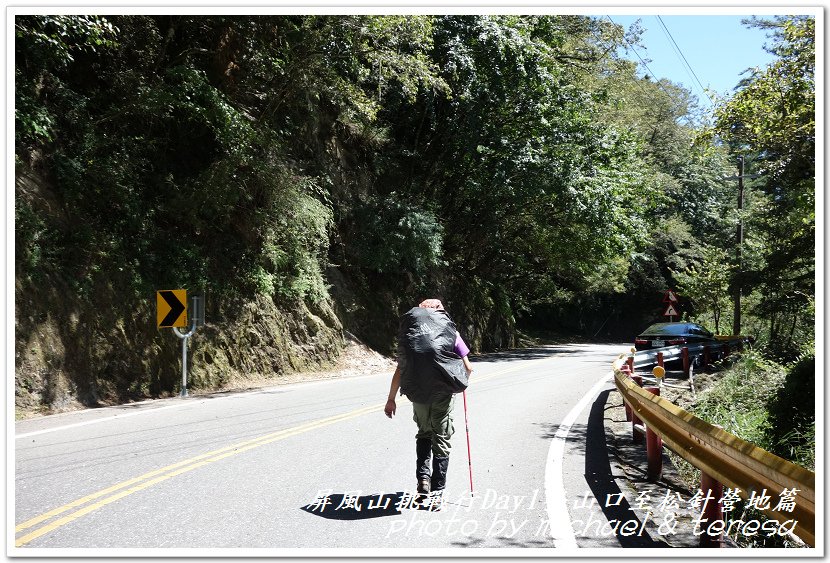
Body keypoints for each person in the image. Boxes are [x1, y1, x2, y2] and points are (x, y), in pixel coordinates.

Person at [384, 299, 473, 497]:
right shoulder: (451, 333)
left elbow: (400, 370)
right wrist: (459, 384)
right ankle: (437, 492)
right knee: (441, 438)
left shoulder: (412, 335)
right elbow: (468, 368)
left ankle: (423, 479)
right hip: (443, 394)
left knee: (424, 433)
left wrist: (391, 399)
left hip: (418, 393)